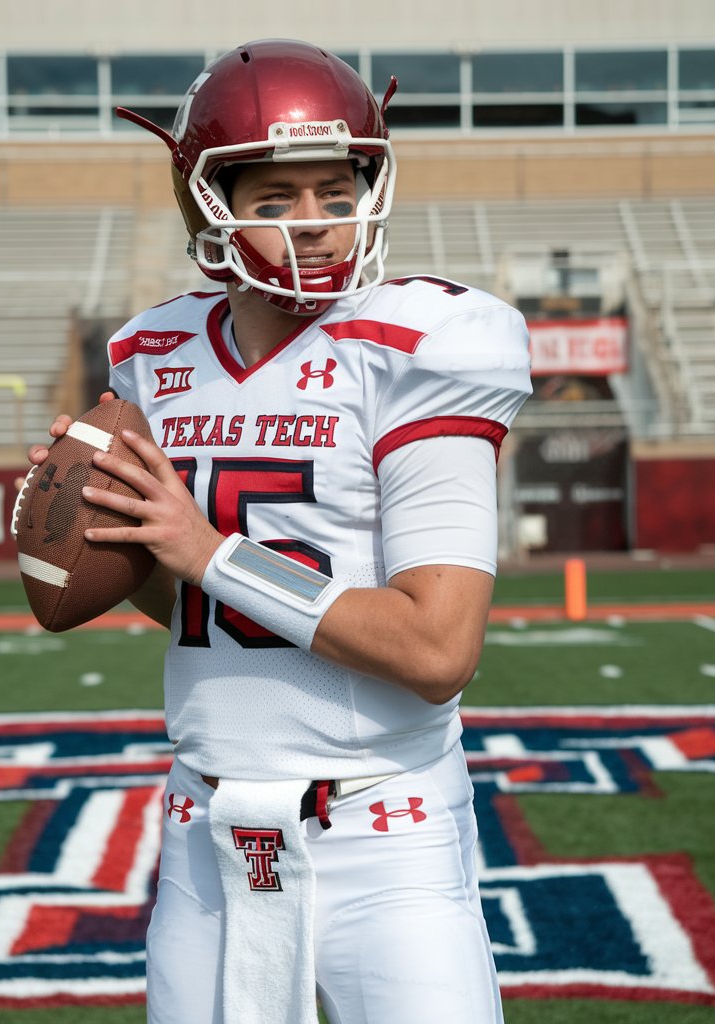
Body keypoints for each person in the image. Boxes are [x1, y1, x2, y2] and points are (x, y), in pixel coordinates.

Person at [26, 39, 531, 1024]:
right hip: (205, 831)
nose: (317, 224)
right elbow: (192, 601)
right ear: (206, 205)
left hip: (383, 829)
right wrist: (114, 524)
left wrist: (203, 545)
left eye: (334, 190)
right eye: (274, 198)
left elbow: (436, 649)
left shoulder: (422, 344)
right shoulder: (156, 351)